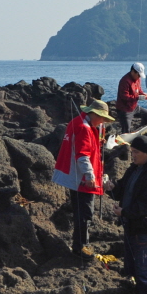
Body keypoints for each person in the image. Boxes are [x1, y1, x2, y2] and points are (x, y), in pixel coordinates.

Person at [52, 99, 115, 260]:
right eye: (101, 118)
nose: (102, 122)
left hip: (74, 175)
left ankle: (79, 245)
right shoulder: (84, 128)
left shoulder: (76, 122)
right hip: (81, 179)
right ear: (93, 114)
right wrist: (90, 176)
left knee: (80, 212)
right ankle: (81, 247)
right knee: (85, 213)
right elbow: (83, 156)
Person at [111, 135, 147, 294]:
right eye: (132, 152)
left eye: (136, 152)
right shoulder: (133, 170)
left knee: (145, 263)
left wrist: (124, 212)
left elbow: (145, 205)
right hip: (131, 223)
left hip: (144, 225)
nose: (132, 155)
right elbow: (121, 191)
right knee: (134, 261)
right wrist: (111, 187)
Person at [116, 62, 147, 134]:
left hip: (134, 106)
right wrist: (138, 97)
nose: (139, 77)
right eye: (138, 75)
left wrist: (143, 94)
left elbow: (139, 90)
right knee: (126, 130)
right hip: (125, 109)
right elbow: (124, 97)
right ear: (133, 72)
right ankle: (125, 143)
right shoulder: (125, 81)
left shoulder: (138, 79)